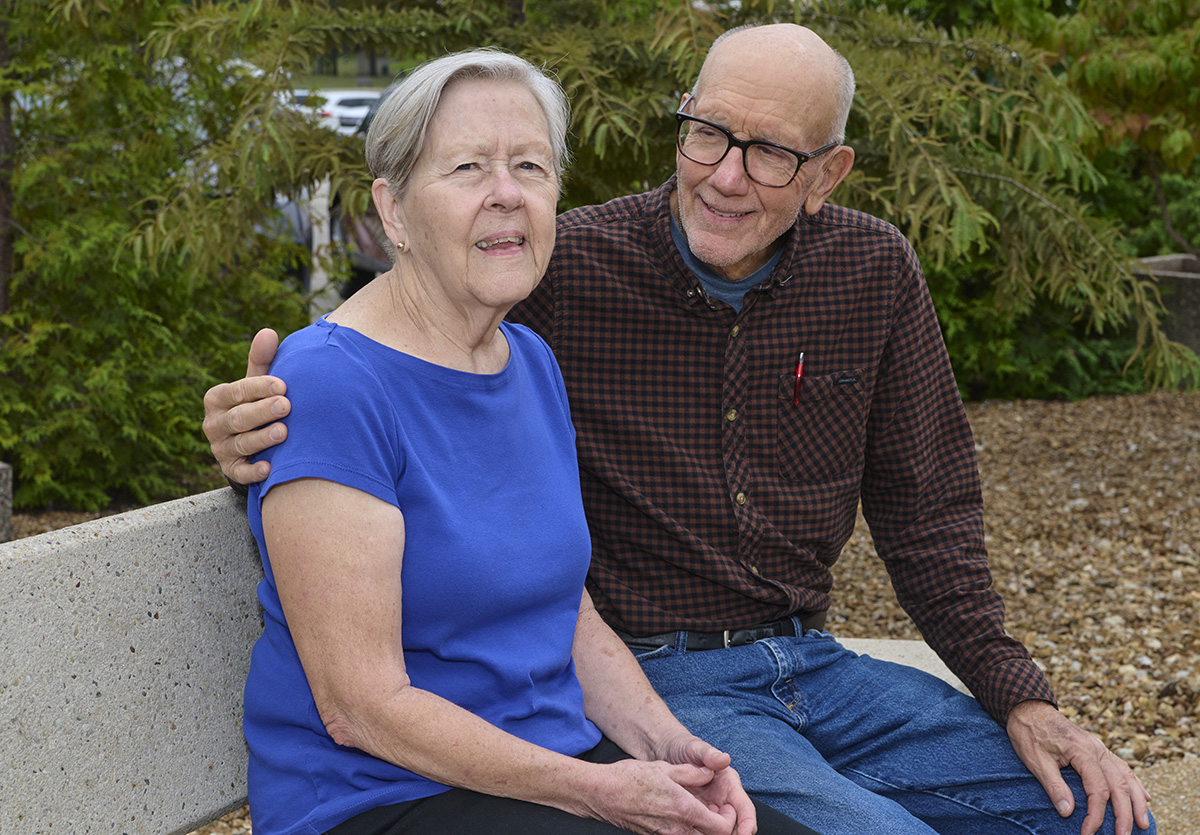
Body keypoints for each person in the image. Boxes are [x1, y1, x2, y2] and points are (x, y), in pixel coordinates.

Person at [206, 25, 1155, 835]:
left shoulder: (528, 347)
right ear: (391, 206)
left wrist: (1018, 694)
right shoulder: (540, 277)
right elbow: (351, 408)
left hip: (772, 674)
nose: (727, 175)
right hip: (521, 740)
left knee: (1103, 812)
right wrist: (246, 438)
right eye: (707, 134)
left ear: (826, 174)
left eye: (771, 151)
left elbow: (928, 507)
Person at [236, 47, 818, 835]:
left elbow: (565, 614)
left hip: (549, 774)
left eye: (531, 167)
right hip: (381, 798)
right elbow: (360, 707)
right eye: (468, 167)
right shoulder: (333, 384)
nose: (506, 194)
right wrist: (599, 791)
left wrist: (676, 751)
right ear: (395, 210)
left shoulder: (528, 360)